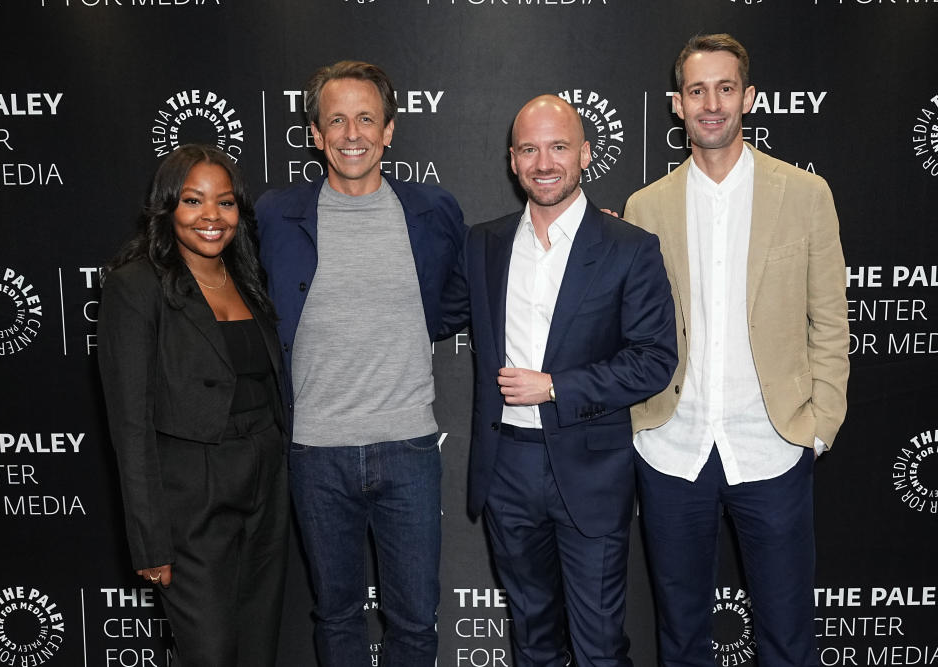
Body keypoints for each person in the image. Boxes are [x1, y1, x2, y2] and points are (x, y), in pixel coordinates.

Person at [623, 34, 850, 667]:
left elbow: (830, 322)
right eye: (697, 91)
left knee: (786, 640)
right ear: (678, 104)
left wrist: (819, 426)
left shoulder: (805, 194)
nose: (712, 103)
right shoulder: (646, 209)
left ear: (748, 97)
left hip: (773, 447)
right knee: (682, 640)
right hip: (672, 450)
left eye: (725, 88)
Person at [451, 94, 678, 666]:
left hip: (590, 470)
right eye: (529, 149)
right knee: (532, 641)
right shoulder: (484, 243)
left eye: (558, 147)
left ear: (585, 154)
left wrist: (555, 385)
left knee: (600, 646)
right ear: (512, 159)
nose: (544, 162)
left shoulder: (630, 247)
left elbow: (654, 360)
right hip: (507, 467)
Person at [255, 61, 465, 666]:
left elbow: (455, 299)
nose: (353, 133)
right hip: (316, 450)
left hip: (409, 449)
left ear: (390, 130)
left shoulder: (432, 211)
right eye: (337, 120)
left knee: (415, 622)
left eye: (367, 118)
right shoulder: (275, 215)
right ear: (316, 135)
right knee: (336, 615)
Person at [98, 144, 288, 667]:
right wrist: (149, 542)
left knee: (257, 649)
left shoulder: (250, 278)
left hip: (266, 483)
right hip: (191, 493)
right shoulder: (136, 285)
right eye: (193, 200)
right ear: (167, 207)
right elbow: (129, 423)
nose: (211, 217)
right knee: (210, 653)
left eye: (225, 203)